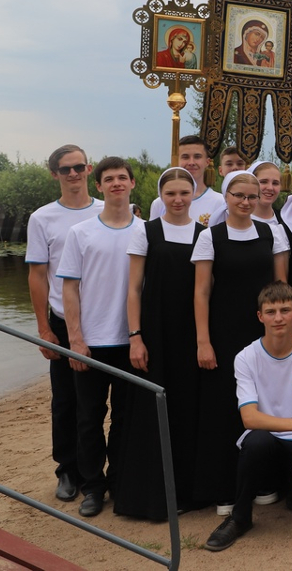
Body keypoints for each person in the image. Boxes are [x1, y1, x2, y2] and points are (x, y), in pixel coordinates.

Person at [204, 282, 292, 552]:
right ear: (260, 316)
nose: (278, 318)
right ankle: (240, 518)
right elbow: (250, 418)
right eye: (271, 311)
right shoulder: (246, 357)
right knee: (257, 442)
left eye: (285, 310)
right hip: (267, 436)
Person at [192, 171, 290, 512]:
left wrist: (283, 333)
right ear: (226, 196)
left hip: (262, 333)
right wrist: (203, 341)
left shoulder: (271, 233)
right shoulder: (210, 236)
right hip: (223, 333)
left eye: (252, 195)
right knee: (223, 410)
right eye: (239, 195)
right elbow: (202, 292)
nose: (246, 202)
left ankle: (263, 483)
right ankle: (224, 490)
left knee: (263, 405)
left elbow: (281, 289)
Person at [117, 168, 205, 519]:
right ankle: (149, 497)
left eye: (185, 192)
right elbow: (134, 289)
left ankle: (185, 493)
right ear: (161, 196)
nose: (179, 199)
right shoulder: (146, 231)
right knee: (153, 412)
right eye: (171, 194)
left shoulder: (205, 234)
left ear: (194, 194)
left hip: (191, 334)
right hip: (154, 333)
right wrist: (135, 336)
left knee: (187, 411)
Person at [56, 157, 141, 517]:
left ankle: (119, 480)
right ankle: (93, 486)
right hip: (91, 342)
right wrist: (75, 338)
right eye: (110, 179)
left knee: (124, 418)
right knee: (89, 418)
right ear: (100, 185)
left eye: (123, 177)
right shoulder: (82, 232)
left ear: (133, 184)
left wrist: (140, 336)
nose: (117, 183)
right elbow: (70, 289)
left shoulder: (145, 230)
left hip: (130, 342)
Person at [26, 144, 105, 504]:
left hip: (105, 320)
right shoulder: (42, 218)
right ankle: (67, 470)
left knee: (99, 405)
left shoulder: (110, 210)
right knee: (66, 402)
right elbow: (38, 274)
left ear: (89, 170)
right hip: (62, 319)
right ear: (54, 174)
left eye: (78, 167)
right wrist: (44, 328)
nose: (73, 174)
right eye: (65, 169)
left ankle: (105, 472)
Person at [148, 135, 220, 224]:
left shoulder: (220, 202)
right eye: (185, 157)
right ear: (176, 160)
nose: (191, 163)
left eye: (197, 157)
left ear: (207, 162)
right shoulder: (160, 203)